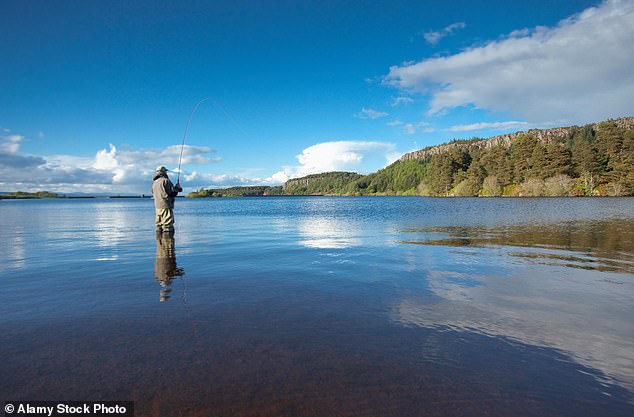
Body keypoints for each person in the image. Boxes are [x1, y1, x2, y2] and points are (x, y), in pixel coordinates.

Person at [152, 166, 182, 233]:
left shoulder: (154, 183)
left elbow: (153, 193)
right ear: (163, 172)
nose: (166, 172)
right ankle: (168, 242)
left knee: (159, 226)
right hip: (166, 206)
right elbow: (172, 194)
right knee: (167, 226)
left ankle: (159, 242)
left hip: (157, 207)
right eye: (165, 171)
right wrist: (177, 188)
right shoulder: (166, 181)